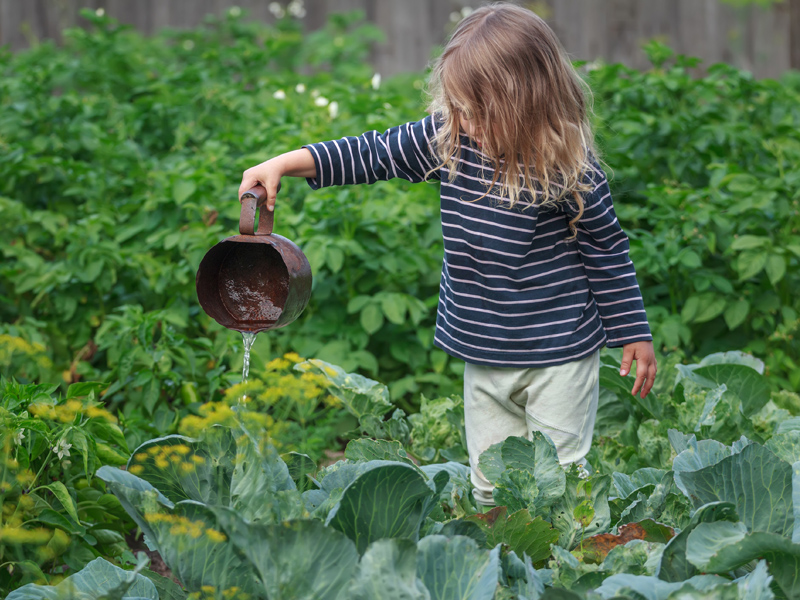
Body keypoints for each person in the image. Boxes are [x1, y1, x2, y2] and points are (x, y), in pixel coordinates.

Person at [239, 2, 657, 508]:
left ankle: (563, 577)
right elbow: (372, 152)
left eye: (477, 112)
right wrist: (282, 163)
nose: (462, 121)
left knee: (561, 485)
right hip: (482, 350)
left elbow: (606, 247)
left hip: (562, 352)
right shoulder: (450, 141)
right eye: (456, 106)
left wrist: (632, 331)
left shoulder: (567, 165)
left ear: (528, 103)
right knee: (489, 487)